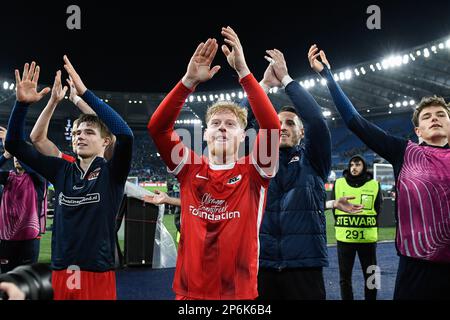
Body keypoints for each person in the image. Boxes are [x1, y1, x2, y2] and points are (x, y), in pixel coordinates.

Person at [148, 27, 281, 300]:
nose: (221, 128)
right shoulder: (189, 168)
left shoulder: (256, 170)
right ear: (206, 133)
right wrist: (187, 81)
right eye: (215, 123)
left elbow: (271, 125)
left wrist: (244, 72)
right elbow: (158, 128)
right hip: (189, 294)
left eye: (230, 124)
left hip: (238, 295)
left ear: (243, 135)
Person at [309, 44, 450, 299]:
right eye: (427, 116)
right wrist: (328, 76)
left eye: (441, 114)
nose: (434, 118)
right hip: (415, 267)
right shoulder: (404, 151)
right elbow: (355, 122)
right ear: (417, 131)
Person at [5, 58, 134, 300]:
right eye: (76, 133)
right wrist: (21, 105)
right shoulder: (61, 170)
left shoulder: (112, 173)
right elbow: (14, 144)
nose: (80, 137)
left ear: (105, 141)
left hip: (97, 272)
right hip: (61, 272)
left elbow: (125, 134)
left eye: (88, 132)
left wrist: (84, 94)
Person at [332, 155, 382, 300]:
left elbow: (377, 209)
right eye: (352, 164)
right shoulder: (339, 183)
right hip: (345, 238)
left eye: (358, 164)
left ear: (364, 167)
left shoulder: (374, 184)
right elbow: (335, 209)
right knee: (344, 277)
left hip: (367, 239)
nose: (354, 167)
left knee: (372, 275)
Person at [0, 128, 47, 274]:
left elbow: (31, 167)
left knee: (28, 277)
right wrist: (5, 156)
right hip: (7, 237)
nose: (16, 159)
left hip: (30, 238)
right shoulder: (8, 176)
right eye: (15, 157)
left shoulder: (38, 177)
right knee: (7, 276)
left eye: (18, 156)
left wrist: (15, 148)